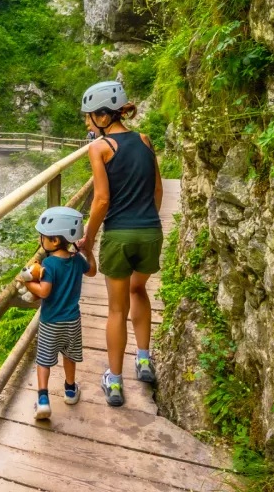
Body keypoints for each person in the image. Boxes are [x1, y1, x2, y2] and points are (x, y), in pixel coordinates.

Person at [77, 80, 163, 407]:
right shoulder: (144, 139)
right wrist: (145, 221)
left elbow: (100, 201)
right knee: (138, 291)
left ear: (103, 115)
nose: (87, 122)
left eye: (89, 116)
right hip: (151, 231)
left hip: (119, 235)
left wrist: (88, 239)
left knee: (116, 309)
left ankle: (114, 381)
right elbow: (157, 192)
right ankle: (143, 359)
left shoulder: (99, 148)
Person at [18, 206, 97, 420]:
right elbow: (92, 271)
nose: (40, 239)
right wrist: (87, 251)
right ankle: (70, 390)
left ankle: (43, 399)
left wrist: (27, 284)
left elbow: (44, 291)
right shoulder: (77, 259)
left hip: (50, 321)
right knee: (69, 356)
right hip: (72, 321)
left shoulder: (49, 264)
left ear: (54, 241)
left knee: (44, 360)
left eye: (42, 236)